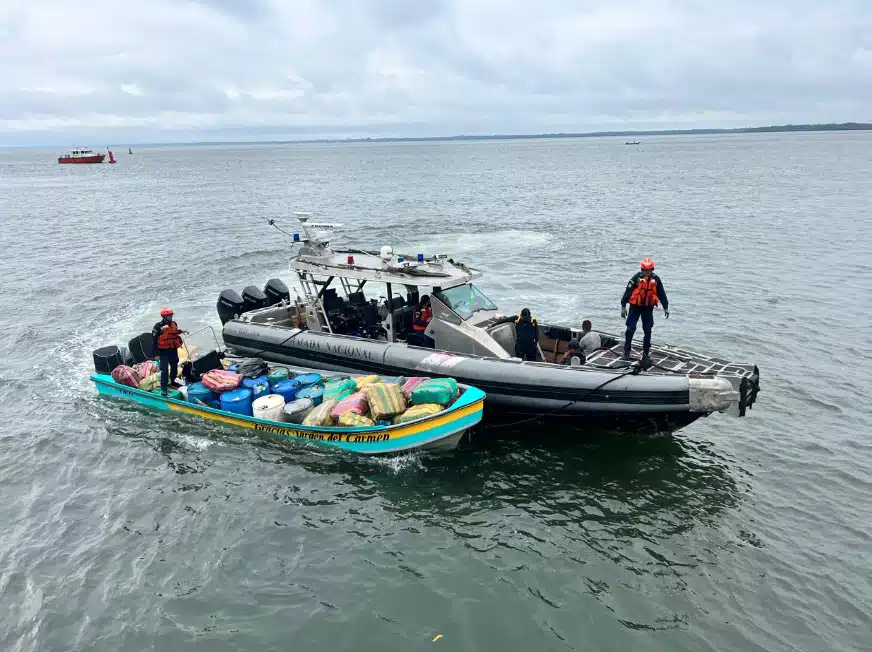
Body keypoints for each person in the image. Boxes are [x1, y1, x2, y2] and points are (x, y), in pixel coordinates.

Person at [621, 258, 669, 361]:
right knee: (630, 329)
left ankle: (646, 353)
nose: (647, 272)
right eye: (644, 270)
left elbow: (662, 294)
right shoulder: (636, 278)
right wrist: (623, 307)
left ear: (652, 269)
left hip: (648, 308)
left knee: (647, 331)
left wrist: (666, 307)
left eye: (649, 270)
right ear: (641, 269)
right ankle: (626, 350)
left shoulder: (656, 280)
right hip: (635, 308)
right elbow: (628, 292)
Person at [152, 308, 187, 396]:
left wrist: (180, 331)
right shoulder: (157, 326)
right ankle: (164, 389)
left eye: (171, 315)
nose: (170, 317)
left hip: (173, 350)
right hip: (163, 352)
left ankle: (173, 382)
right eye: (168, 315)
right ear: (164, 316)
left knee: (174, 367)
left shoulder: (174, 323)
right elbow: (154, 340)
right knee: (164, 371)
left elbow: (173, 333)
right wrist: (156, 354)